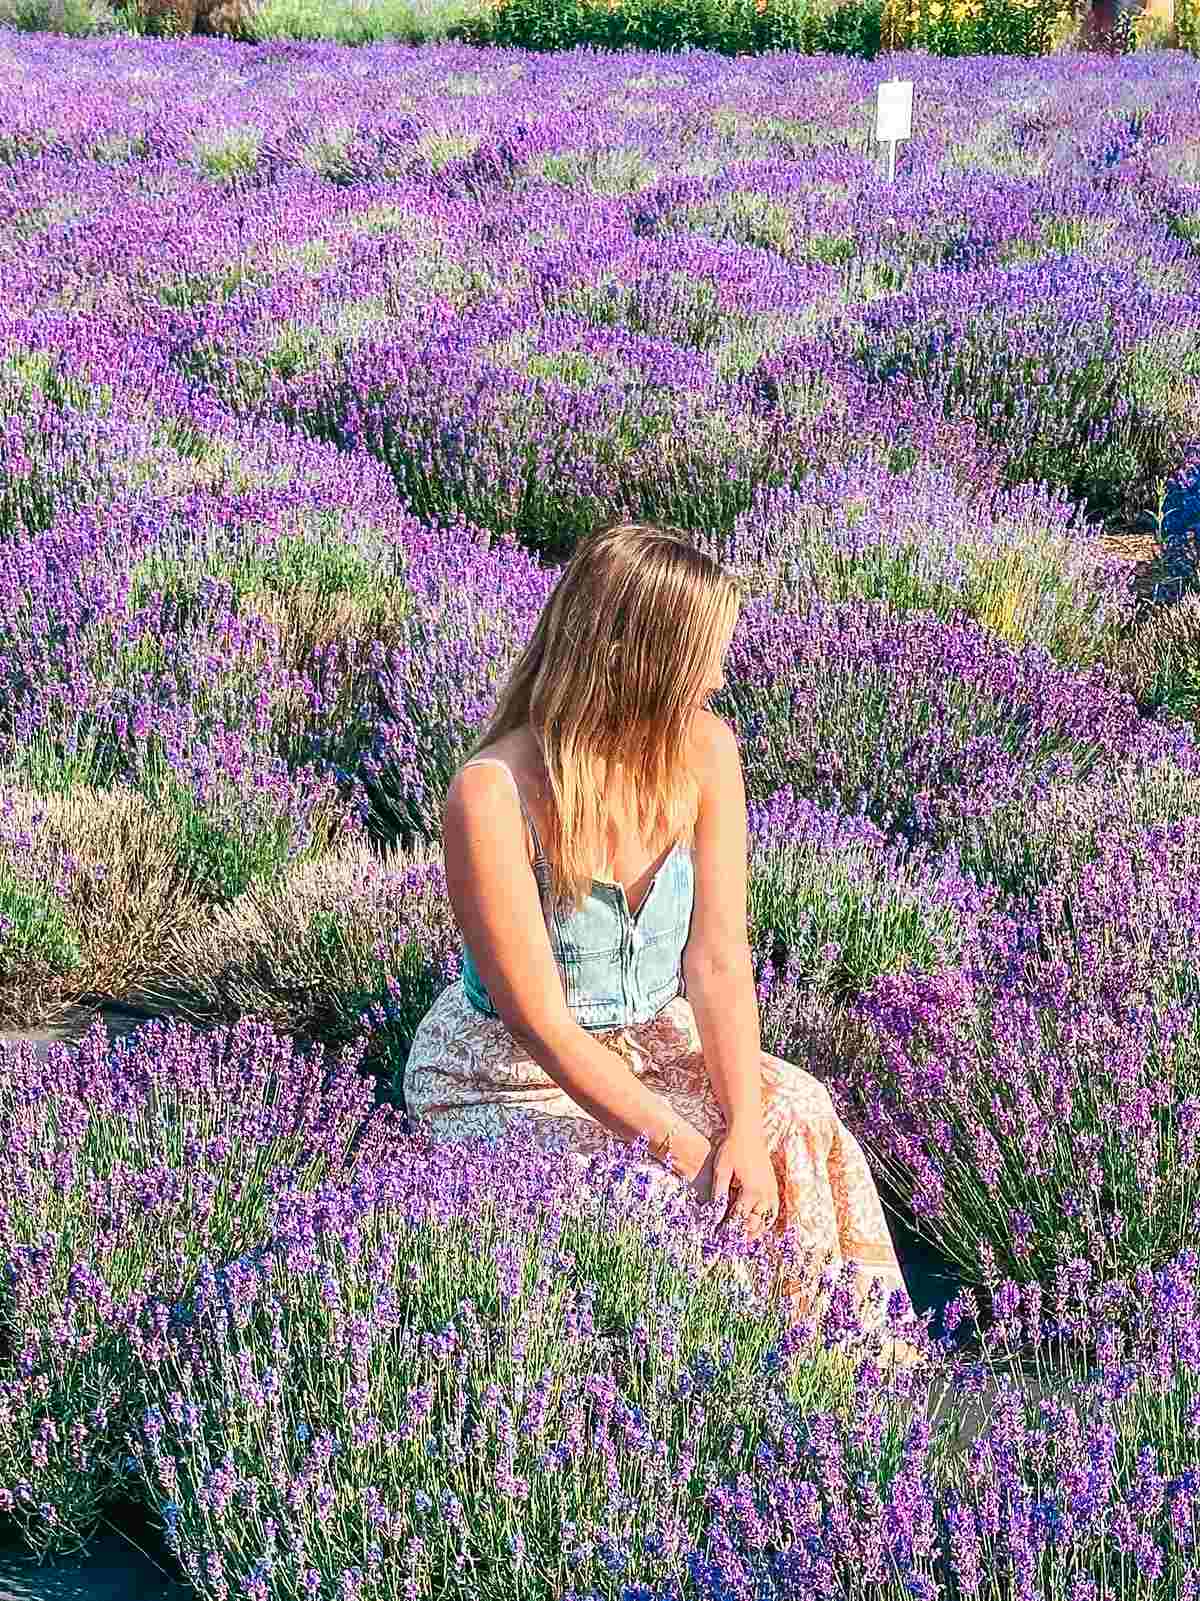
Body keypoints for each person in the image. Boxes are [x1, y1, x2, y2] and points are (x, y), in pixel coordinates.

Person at [403, 520, 914, 1342]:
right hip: (505, 1070)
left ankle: (832, 1373)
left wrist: (741, 1126)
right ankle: (692, 1398)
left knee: (799, 1111)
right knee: (645, 1190)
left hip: (656, 1039)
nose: (716, 676)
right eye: (701, 656)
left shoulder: (707, 753)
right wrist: (688, 1147)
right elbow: (544, 1027)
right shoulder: (492, 793)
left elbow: (716, 958)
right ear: (639, 660)